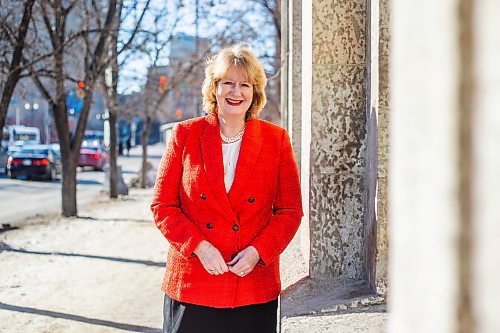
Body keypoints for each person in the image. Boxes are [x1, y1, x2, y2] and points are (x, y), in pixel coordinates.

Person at [151, 43, 303, 333]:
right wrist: (200, 246)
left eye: (245, 85)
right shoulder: (185, 134)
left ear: (255, 92)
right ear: (214, 88)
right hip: (194, 281)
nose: (236, 92)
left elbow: (290, 211)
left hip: (252, 284)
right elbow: (163, 206)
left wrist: (258, 251)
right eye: (228, 83)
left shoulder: (276, 140)